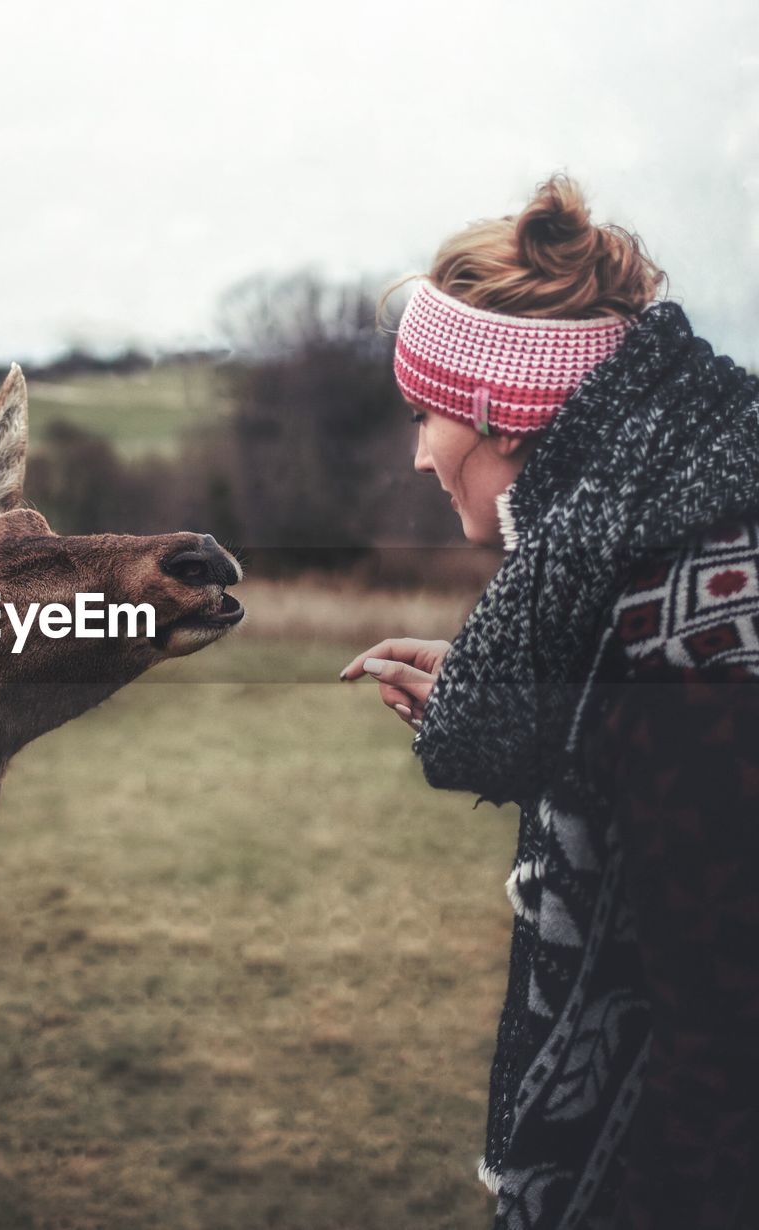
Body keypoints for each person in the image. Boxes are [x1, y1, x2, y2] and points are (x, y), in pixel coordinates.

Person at [342, 175, 759, 1230]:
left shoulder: (680, 644)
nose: (418, 453)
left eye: (422, 413)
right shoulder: (674, 561)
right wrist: (559, 722)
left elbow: (723, 1044)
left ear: (497, 409)